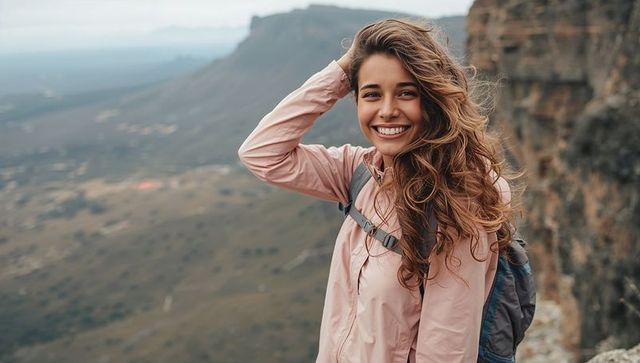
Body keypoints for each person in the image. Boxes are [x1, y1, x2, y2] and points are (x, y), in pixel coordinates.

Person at [238, 18, 517, 363]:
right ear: (355, 101)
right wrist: (343, 70)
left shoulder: (458, 204)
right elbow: (262, 153)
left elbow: (446, 351)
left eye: (406, 93)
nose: (387, 111)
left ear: (433, 100)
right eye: (372, 94)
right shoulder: (360, 172)